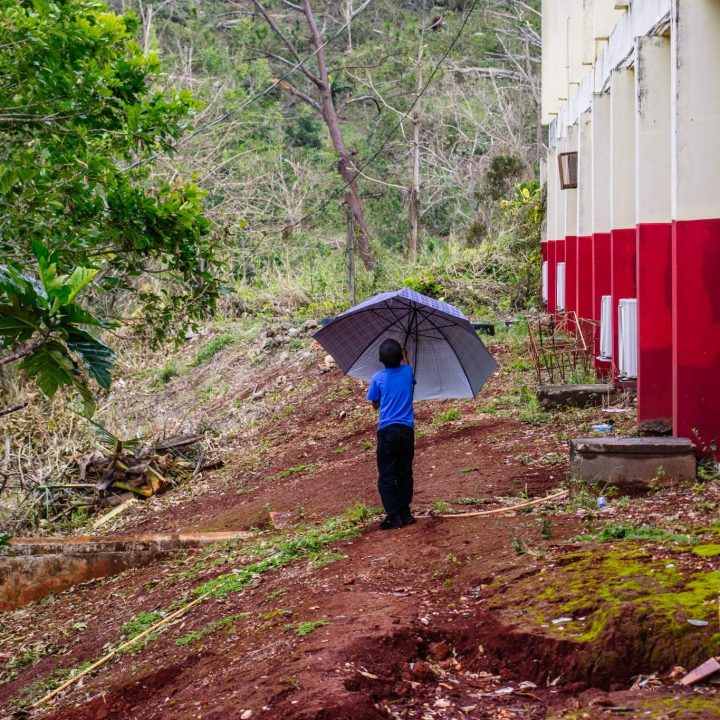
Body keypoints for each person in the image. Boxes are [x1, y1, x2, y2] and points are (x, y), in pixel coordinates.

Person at [366, 338, 416, 530]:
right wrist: (406, 357)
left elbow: (375, 404)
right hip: (406, 431)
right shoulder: (408, 372)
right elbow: (410, 376)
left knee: (386, 474)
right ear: (400, 357)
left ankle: (393, 516)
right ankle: (405, 513)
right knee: (405, 471)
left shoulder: (378, 378)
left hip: (387, 431)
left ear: (380, 359)